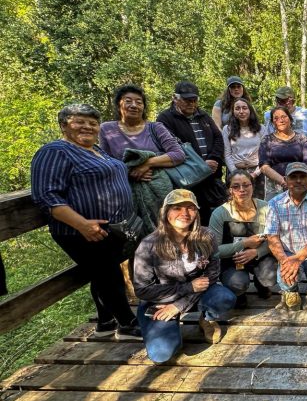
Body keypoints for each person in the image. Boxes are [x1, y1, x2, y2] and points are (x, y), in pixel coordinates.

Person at [31, 104, 141, 340]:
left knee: (102, 272)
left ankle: (105, 322)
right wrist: (81, 224)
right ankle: (127, 323)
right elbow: (47, 195)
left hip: (111, 227)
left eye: (92, 123)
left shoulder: (96, 150)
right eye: (79, 122)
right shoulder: (55, 151)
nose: (87, 127)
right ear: (63, 125)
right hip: (81, 230)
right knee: (108, 273)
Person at [133, 190, 237, 363]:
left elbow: (212, 274)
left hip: (197, 293)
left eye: (190, 208)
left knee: (225, 298)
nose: (185, 213)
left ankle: (207, 319)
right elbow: (142, 290)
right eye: (177, 208)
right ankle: (169, 334)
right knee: (161, 354)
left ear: (196, 212)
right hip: (160, 301)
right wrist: (186, 289)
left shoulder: (206, 236)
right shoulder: (148, 245)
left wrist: (179, 305)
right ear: (165, 212)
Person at [99, 84, 185, 234]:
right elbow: (106, 163)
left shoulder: (155, 128)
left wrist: (147, 163)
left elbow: (178, 154)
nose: (134, 105)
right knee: (134, 237)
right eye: (128, 101)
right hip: (125, 193)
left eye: (139, 102)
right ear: (119, 104)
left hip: (159, 193)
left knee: (166, 232)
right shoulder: (106, 129)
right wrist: (130, 172)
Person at [157, 81, 228, 225]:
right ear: (175, 98)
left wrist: (214, 158)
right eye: (187, 100)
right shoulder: (165, 119)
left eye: (194, 100)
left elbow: (218, 138)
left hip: (211, 180)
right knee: (190, 223)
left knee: (215, 221)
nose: (191, 103)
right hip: (187, 182)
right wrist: (202, 165)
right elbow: (173, 148)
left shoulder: (203, 116)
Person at [265, 162, 307, 311]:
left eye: (302, 176)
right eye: (293, 177)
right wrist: (285, 261)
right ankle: (291, 290)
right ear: (285, 179)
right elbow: (272, 237)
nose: (298, 180)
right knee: (286, 278)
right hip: (288, 254)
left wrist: (299, 258)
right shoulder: (274, 204)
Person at [209, 170, 277, 307]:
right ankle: (238, 293)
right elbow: (214, 250)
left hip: (260, 257)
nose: (242, 190)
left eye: (246, 185)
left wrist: (256, 252)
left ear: (253, 186)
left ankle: (262, 284)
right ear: (229, 190)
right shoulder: (220, 213)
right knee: (237, 284)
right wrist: (244, 243)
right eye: (236, 186)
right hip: (231, 260)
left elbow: (276, 239)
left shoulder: (266, 208)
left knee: (270, 277)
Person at [259, 105, 307, 201]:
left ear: (290, 118)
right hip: (275, 186)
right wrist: (284, 181)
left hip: (300, 183)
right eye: (276, 118)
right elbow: (264, 166)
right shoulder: (267, 140)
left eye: (284, 116)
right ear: (272, 123)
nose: (281, 120)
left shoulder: (301, 139)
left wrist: (295, 181)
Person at [222, 97, 266, 199]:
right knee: (236, 204)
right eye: (237, 108)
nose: (241, 111)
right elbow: (227, 154)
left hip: (257, 172)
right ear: (233, 111)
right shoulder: (227, 129)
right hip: (234, 171)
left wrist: (255, 174)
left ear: (250, 110)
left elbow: (265, 154)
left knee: (257, 204)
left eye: (244, 108)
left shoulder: (261, 128)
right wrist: (236, 174)